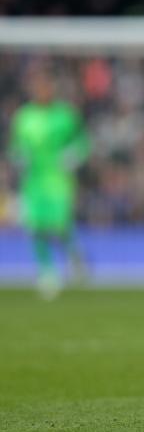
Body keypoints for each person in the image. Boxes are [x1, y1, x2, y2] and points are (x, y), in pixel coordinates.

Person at [9, 66, 90, 299]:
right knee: (36, 227)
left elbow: (84, 142)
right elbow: (14, 147)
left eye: (46, 86)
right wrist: (18, 157)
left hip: (58, 180)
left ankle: (74, 256)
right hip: (33, 181)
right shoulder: (24, 117)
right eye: (38, 86)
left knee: (61, 225)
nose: (42, 90)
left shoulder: (65, 115)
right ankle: (47, 271)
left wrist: (74, 155)